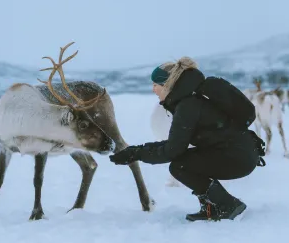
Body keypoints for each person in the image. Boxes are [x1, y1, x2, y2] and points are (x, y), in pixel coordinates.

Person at [109, 57, 263, 221]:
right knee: (184, 161)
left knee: (180, 166)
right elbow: (175, 145)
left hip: (238, 157)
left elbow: (172, 150)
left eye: (156, 85)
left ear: (167, 86)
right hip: (241, 152)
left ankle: (227, 205)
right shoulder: (191, 100)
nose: (153, 89)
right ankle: (212, 207)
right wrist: (136, 151)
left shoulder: (188, 106)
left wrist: (136, 153)